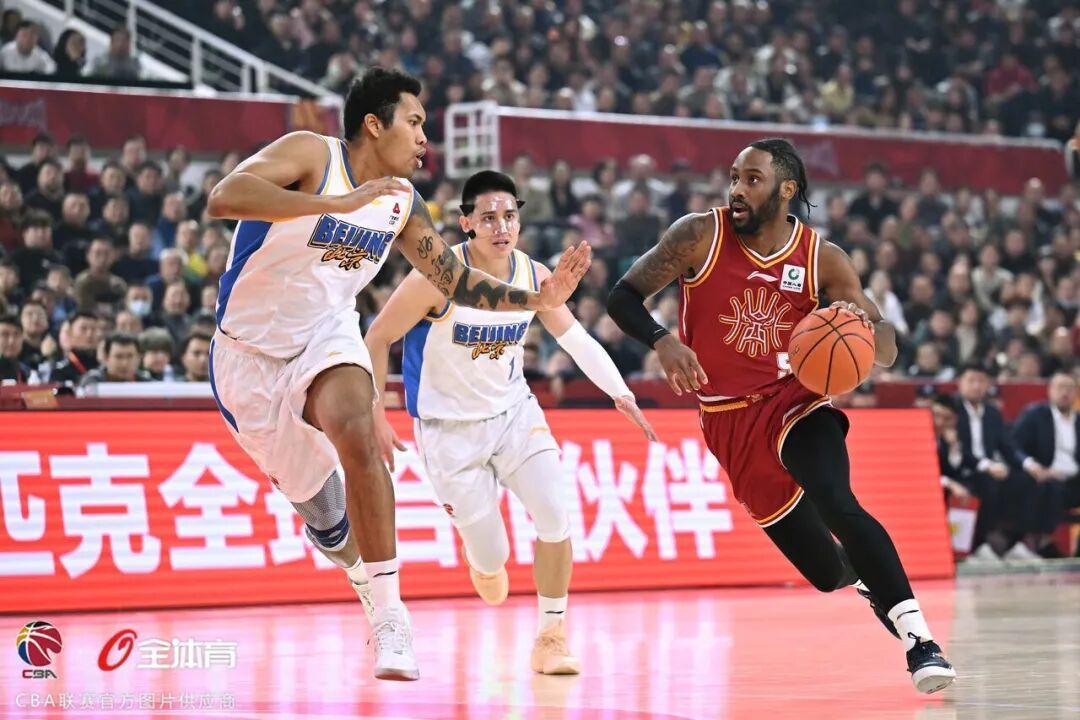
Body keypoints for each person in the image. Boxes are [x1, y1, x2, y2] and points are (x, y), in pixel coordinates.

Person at [205, 67, 589, 681]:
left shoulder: (403, 203)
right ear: (374, 125)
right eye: (414, 122)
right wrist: (334, 204)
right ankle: (360, 576)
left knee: (357, 431)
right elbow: (224, 197)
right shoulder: (312, 154)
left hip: (325, 335)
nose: (424, 138)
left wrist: (535, 301)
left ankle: (391, 617)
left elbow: (454, 280)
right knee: (332, 526)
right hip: (245, 358)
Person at [607, 138, 955, 693]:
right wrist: (661, 340)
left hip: (795, 401)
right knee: (826, 573)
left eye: (752, 179)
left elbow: (887, 349)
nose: (737, 189)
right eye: (734, 178)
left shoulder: (823, 259)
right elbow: (622, 296)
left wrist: (859, 325)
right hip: (727, 419)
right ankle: (864, 576)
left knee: (837, 500)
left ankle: (921, 642)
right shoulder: (699, 235)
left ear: (786, 189)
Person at [365, 171, 654, 676]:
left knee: (555, 513)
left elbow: (575, 338)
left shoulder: (532, 274)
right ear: (466, 224)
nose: (502, 227)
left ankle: (551, 636)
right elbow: (377, 337)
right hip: (449, 431)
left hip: (514, 414)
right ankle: (481, 558)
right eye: (488, 218)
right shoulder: (437, 276)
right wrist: (374, 413)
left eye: (510, 216)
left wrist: (620, 392)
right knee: (492, 562)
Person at [1011, 372, 1080, 558]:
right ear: (1050, 390)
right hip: (1046, 477)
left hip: (1075, 479)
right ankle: (1042, 542)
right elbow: (1013, 445)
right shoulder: (1035, 414)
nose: (1065, 392)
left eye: (1070, 388)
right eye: (1060, 387)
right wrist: (1032, 465)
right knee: (1049, 488)